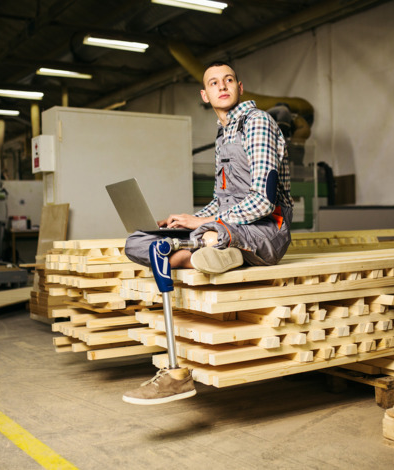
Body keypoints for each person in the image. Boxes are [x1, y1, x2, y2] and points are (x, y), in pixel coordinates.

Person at [122, 61, 293, 405]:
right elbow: (220, 200)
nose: (222, 86)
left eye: (229, 80)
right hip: (226, 227)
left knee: (209, 235)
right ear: (205, 95)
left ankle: (206, 250)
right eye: (214, 83)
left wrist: (206, 226)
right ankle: (208, 253)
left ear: (240, 87)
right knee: (137, 241)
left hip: (266, 229)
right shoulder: (223, 133)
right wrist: (190, 218)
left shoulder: (257, 123)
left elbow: (262, 201)